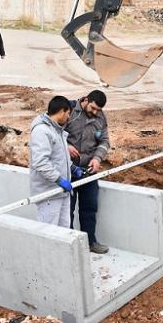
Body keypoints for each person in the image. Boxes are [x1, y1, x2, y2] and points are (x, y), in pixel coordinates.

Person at [65, 90, 111, 254]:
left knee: (89, 207)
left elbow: (105, 141)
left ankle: (90, 242)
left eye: (98, 110)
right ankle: (69, 246)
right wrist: (66, 146)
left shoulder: (100, 117)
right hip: (68, 171)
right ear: (85, 100)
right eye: (92, 108)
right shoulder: (68, 110)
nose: (94, 112)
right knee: (67, 210)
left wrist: (97, 158)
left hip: (88, 172)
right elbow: (54, 135)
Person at [29, 95, 81, 227]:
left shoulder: (58, 130)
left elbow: (59, 156)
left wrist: (72, 167)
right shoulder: (42, 131)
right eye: (68, 113)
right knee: (49, 232)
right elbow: (40, 162)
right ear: (62, 111)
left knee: (64, 232)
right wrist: (59, 180)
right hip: (49, 194)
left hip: (62, 192)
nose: (68, 117)